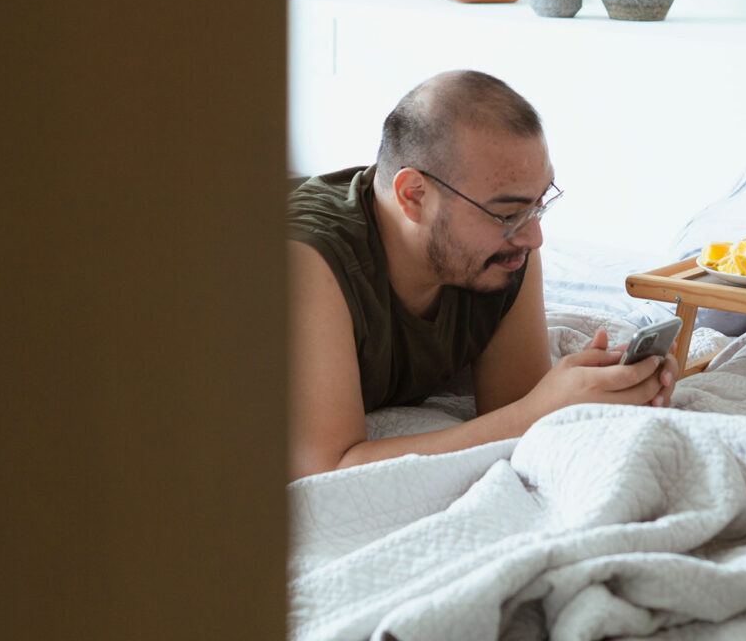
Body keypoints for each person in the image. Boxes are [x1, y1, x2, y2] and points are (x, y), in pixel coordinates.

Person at [287, 70, 677, 480]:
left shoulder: (503, 253)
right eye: (507, 214)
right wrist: (537, 411)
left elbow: (515, 410)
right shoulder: (309, 261)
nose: (533, 237)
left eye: (539, 205)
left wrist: (607, 394)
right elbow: (325, 470)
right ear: (413, 196)